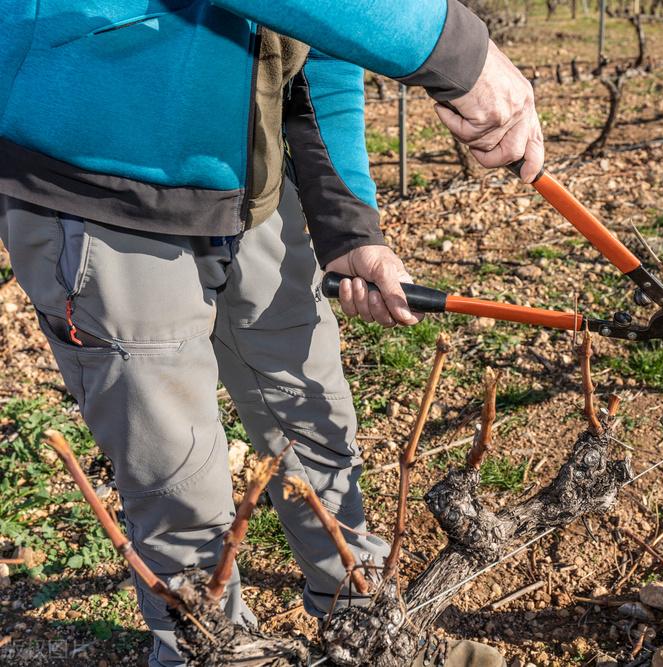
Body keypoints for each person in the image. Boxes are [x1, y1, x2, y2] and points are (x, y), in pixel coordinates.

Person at [0, 1, 543, 665]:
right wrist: (459, 50)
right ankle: (216, 654)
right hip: (102, 181)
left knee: (314, 413)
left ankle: (368, 631)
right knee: (179, 487)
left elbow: (323, 45)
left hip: (249, 182)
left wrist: (348, 225)